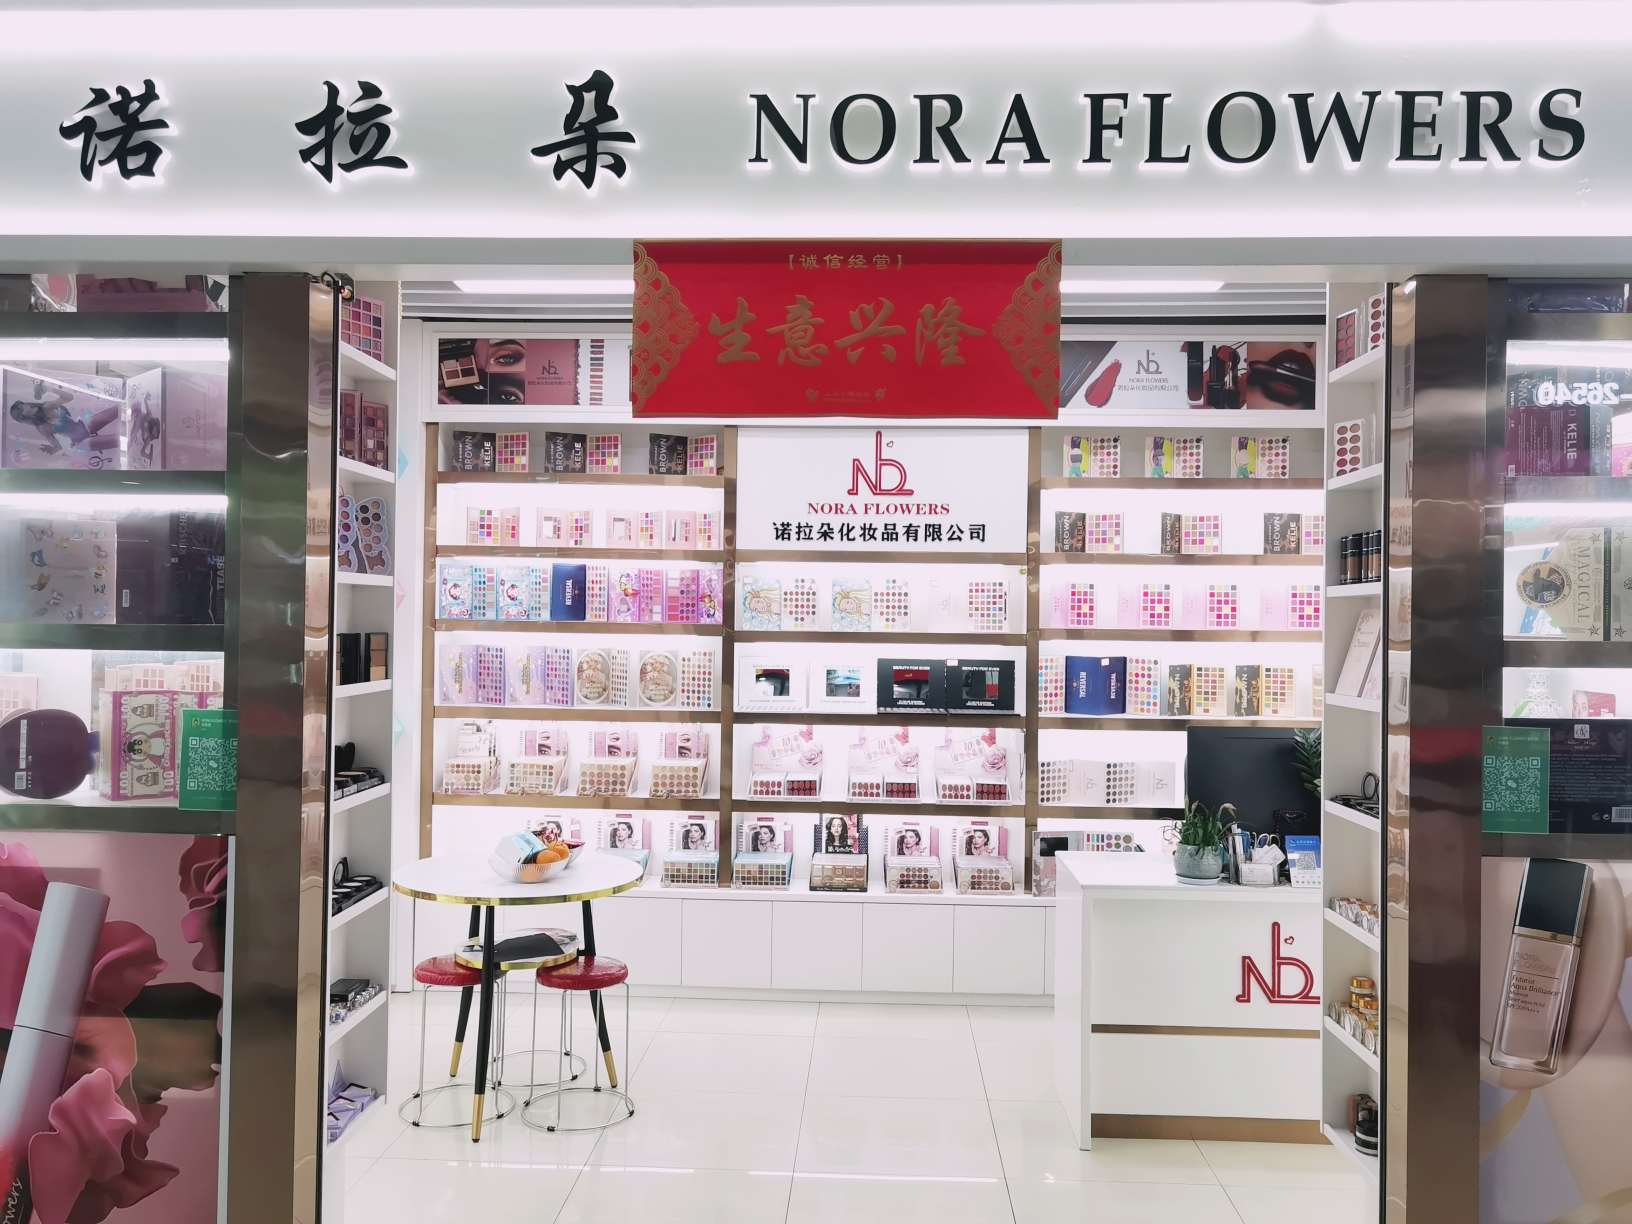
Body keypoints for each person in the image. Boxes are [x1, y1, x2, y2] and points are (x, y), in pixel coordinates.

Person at [8, 380, 120, 462]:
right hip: (81, 442)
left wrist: (49, 388)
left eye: (23, 404)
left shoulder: (47, 406)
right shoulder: (42, 428)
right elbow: (58, 446)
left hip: (84, 425)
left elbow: (69, 397)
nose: (26, 406)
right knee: (118, 441)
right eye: (22, 408)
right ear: (23, 416)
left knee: (118, 409)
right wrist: (52, 449)